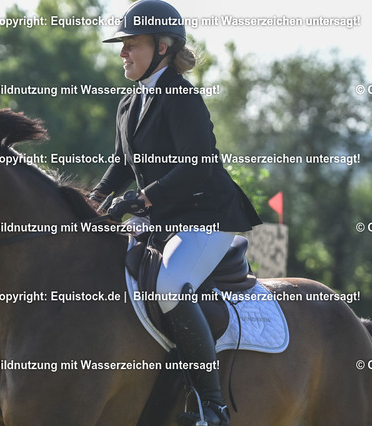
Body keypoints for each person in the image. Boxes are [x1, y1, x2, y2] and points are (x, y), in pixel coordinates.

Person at [89, 1, 262, 425]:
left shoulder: (181, 96)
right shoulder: (129, 101)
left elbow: (196, 165)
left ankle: (212, 407)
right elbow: (121, 164)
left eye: (132, 44)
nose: (123, 53)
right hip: (163, 218)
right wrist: (91, 202)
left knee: (169, 285)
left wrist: (142, 199)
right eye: (122, 45)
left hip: (207, 216)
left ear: (162, 47)